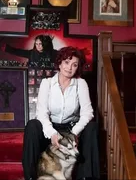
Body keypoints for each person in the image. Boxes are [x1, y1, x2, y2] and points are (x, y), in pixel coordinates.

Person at [22, 46, 100, 180]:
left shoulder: (80, 84)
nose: (69, 68)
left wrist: (74, 133)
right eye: (66, 62)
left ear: (78, 67)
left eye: (74, 65)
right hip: (50, 128)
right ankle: (30, 176)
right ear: (59, 63)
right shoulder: (47, 83)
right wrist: (52, 133)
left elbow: (88, 113)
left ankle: (87, 177)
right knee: (32, 125)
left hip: (71, 128)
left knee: (92, 127)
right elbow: (41, 113)